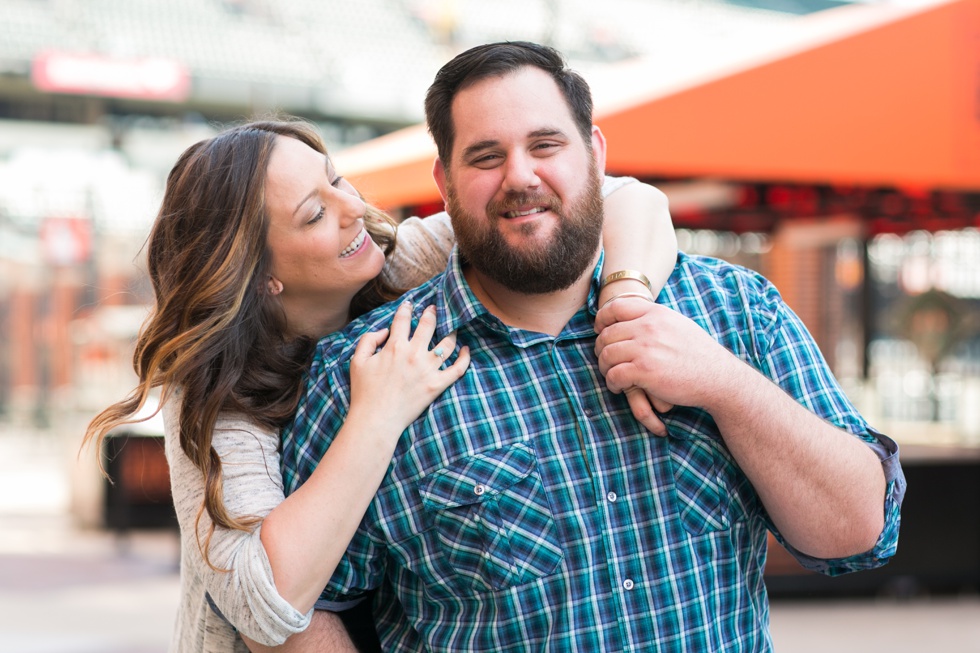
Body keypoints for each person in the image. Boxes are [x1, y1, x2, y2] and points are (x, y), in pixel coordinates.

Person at [280, 41, 906, 652]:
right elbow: (297, 609)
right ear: (444, 181)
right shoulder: (366, 371)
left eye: (545, 145)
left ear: (596, 155)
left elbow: (856, 532)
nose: (520, 176)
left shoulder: (732, 309)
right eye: (485, 156)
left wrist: (723, 383)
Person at [81, 115, 679, 653]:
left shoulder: (391, 256)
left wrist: (626, 302)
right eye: (314, 214)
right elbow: (262, 605)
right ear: (260, 276)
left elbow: (618, 196)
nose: (353, 210)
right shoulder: (215, 391)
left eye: (336, 180)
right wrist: (378, 413)